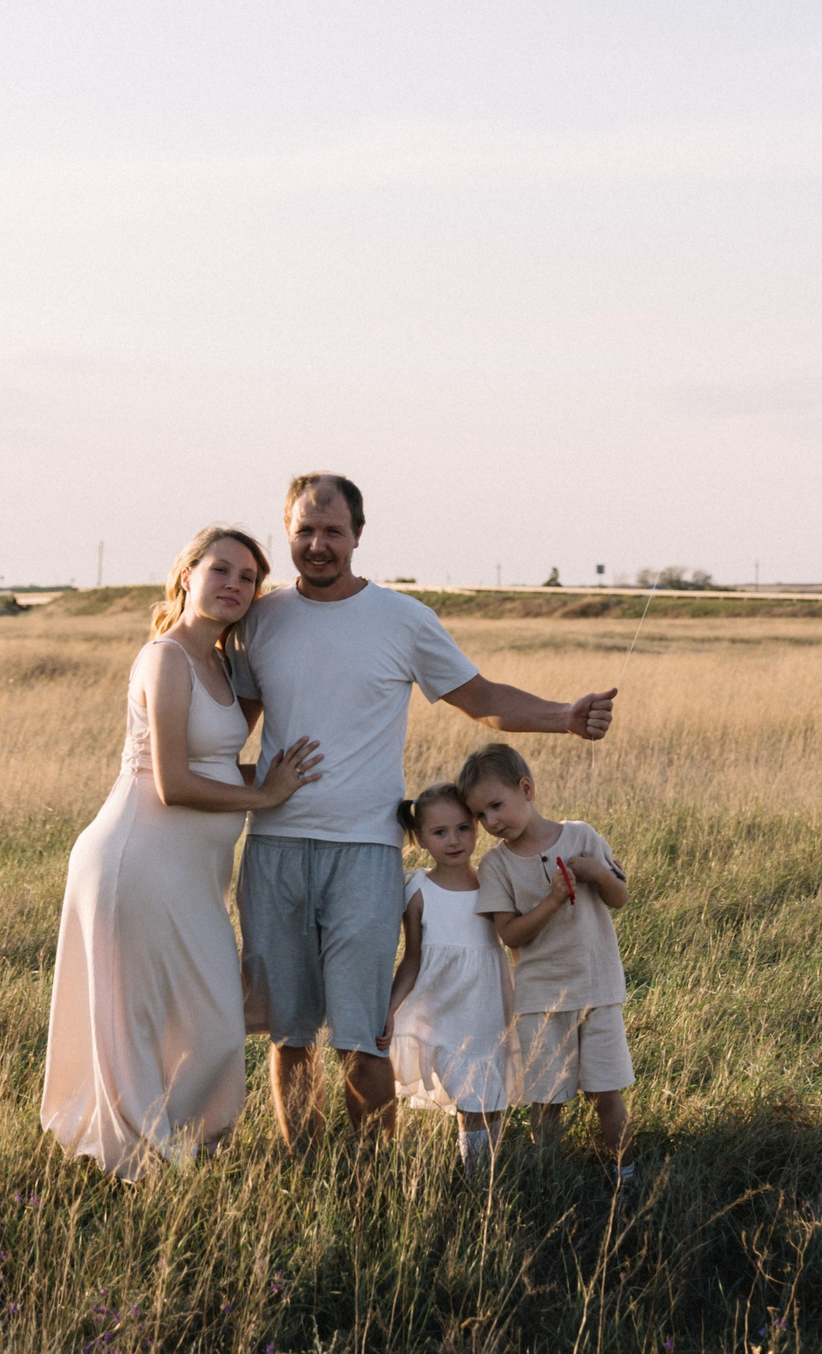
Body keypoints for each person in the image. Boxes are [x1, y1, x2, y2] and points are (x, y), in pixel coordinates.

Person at [227, 471, 617, 1145]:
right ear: (285, 534)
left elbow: (481, 696)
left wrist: (564, 716)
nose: (318, 545)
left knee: (363, 1032)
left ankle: (368, 1181)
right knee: (290, 1033)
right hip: (275, 848)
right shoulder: (260, 619)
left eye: (333, 532)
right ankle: (303, 1169)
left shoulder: (402, 619)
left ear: (357, 535)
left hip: (367, 854)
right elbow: (227, 731)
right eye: (304, 532)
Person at [41, 526, 324, 1178]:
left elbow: (218, 764)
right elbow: (171, 782)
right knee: (145, 1019)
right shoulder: (164, 658)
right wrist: (268, 793)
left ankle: (171, 1148)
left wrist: (281, 779)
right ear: (187, 574)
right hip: (134, 862)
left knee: (213, 1023)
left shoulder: (222, 667)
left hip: (191, 875)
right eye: (221, 569)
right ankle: (144, 1163)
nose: (234, 585)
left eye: (248, 578)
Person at [460, 742, 634, 1181]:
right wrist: (554, 899)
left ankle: (625, 1174)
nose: (492, 821)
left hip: (597, 987)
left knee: (606, 1091)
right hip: (539, 997)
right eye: (481, 815)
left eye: (497, 805)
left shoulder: (581, 836)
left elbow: (620, 897)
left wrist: (595, 872)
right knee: (547, 1097)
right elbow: (510, 933)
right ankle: (548, 1177)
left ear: (526, 789)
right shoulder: (496, 866)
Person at [381, 782, 514, 1174]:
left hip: (486, 1005)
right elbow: (413, 958)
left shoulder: (492, 877)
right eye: (440, 833)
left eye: (463, 828)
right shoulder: (418, 888)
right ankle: (476, 1177)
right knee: (470, 1097)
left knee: (490, 1096)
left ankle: (489, 1169)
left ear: (477, 827)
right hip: (440, 1007)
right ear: (421, 838)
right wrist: (391, 1008)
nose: (453, 841)